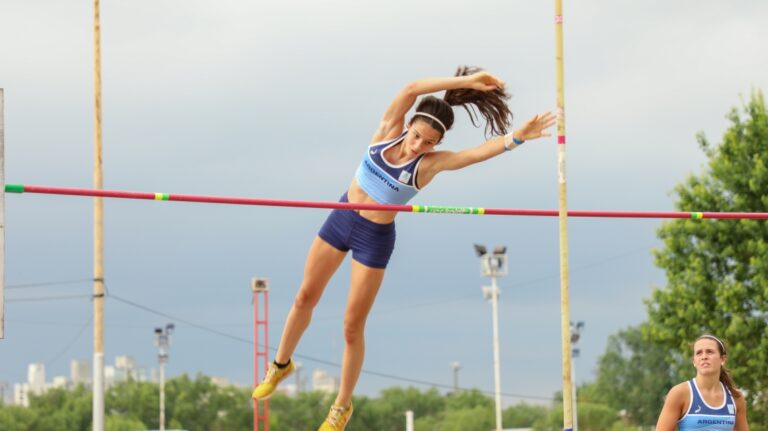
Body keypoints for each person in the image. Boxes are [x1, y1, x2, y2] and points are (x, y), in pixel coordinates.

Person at [251, 66, 556, 430]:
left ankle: (341, 408)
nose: (418, 146)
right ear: (408, 124)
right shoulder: (386, 132)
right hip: (342, 217)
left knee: (351, 327)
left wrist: (517, 138)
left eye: (428, 143)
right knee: (304, 297)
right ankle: (281, 365)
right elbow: (411, 87)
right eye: (416, 137)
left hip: (374, 238)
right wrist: (466, 82)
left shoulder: (428, 165)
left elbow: (476, 154)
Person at [655, 334, 750, 431]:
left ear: (723, 359)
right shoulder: (679, 393)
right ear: (694, 361)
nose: (704, 357)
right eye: (699, 353)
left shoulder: (736, 397)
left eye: (710, 352)